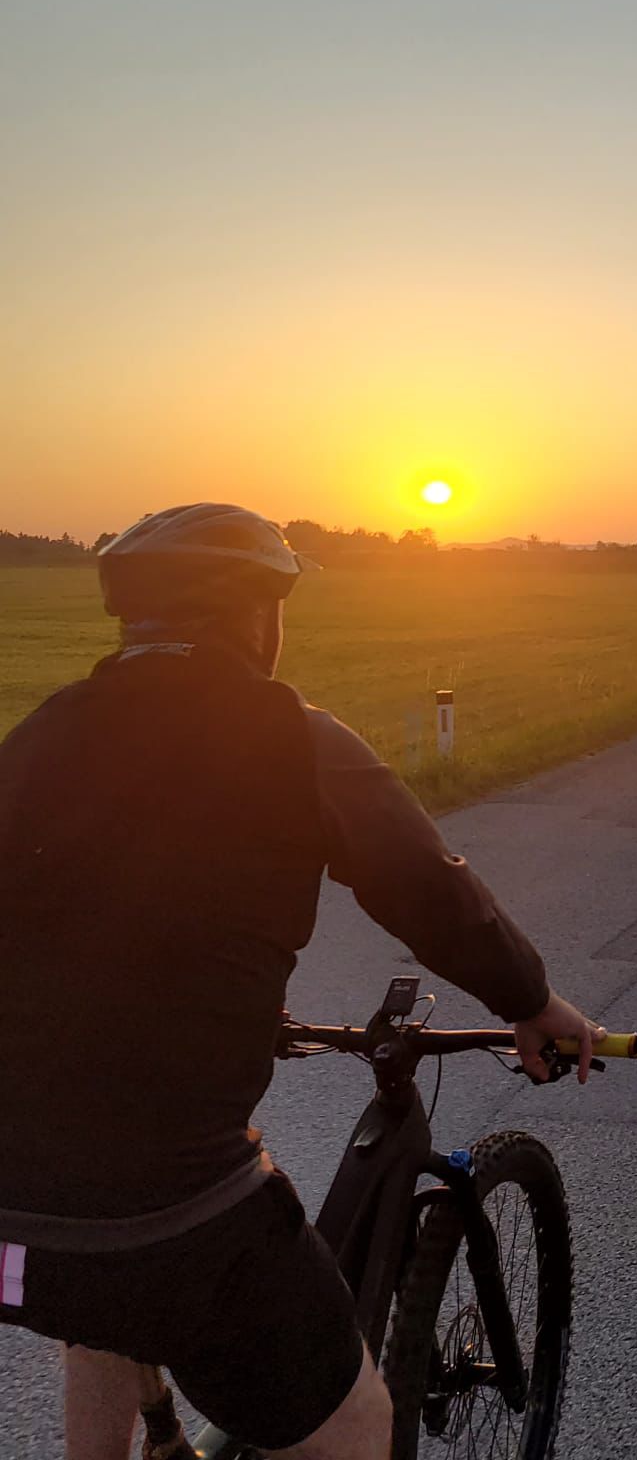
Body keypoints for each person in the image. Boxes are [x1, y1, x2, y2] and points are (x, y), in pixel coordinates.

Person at [0, 504, 604, 1460]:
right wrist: (533, 1001)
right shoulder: (294, 738)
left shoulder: (38, 738)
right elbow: (427, 888)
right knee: (359, 1428)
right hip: (180, 1223)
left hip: (13, 1218)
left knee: (100, 1287)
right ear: (259, 620)